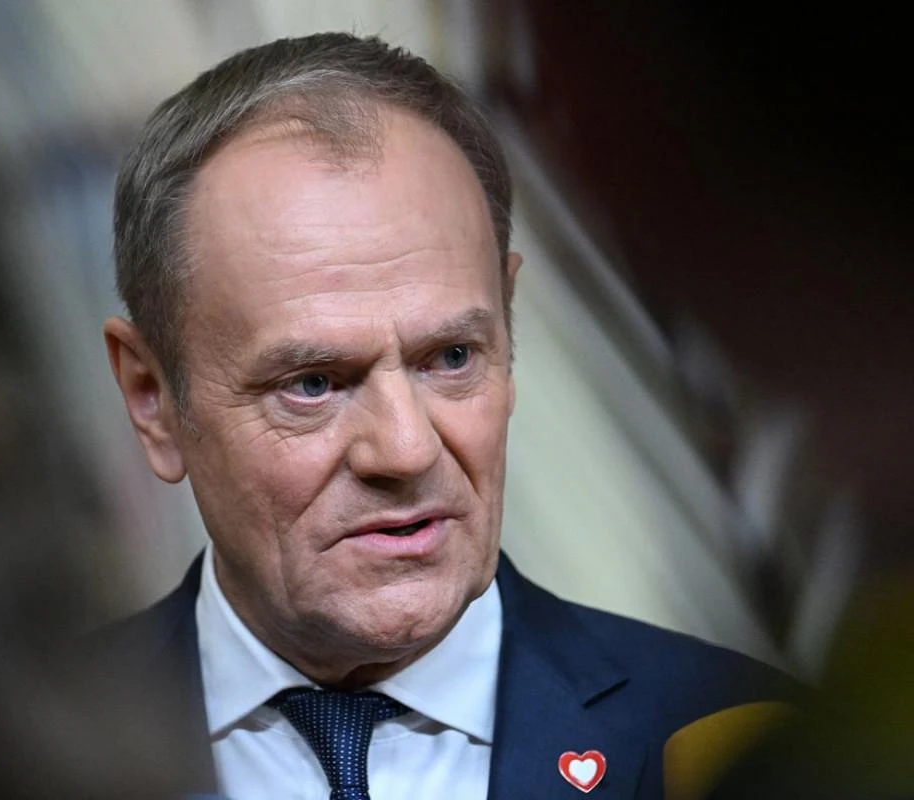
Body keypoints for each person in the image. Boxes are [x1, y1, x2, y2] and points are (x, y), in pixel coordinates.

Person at [97, 32, 791, 799]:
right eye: (314, 383)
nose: (406, 449)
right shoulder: (18, 761)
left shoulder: (748, 750)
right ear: (152, 399)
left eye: (452, 357)